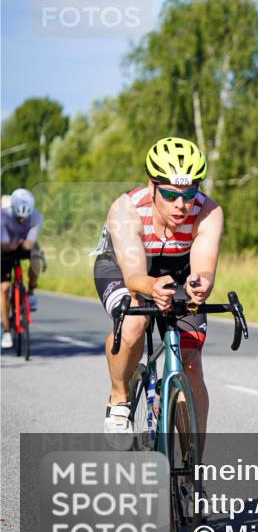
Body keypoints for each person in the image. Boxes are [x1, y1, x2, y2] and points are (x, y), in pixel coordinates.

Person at [92, 137, 223, 435]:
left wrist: (201, 284)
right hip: (122, 266)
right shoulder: (127, 209)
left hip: (177, 270)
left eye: (190, 194)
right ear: (152, 186)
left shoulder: (209, 211)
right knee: (135, 321)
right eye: (169, 194)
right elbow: (135, 277)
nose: (181, 205)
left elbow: (203, 267)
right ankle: (119, 399)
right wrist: (152, 287)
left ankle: (193, 470)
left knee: (191, 364)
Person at [1, 188, 44, 348]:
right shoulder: (3, 215)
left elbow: (29, 243)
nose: (21, 221)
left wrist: (22, 244)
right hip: (4, 248)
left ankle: (31, 291)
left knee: (37, 257)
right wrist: (14, 244)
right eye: (18, 218)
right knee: (4, 289)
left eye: (24, 218)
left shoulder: (37, 217)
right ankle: (6, 332)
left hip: (22, 245)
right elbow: (4, 244)